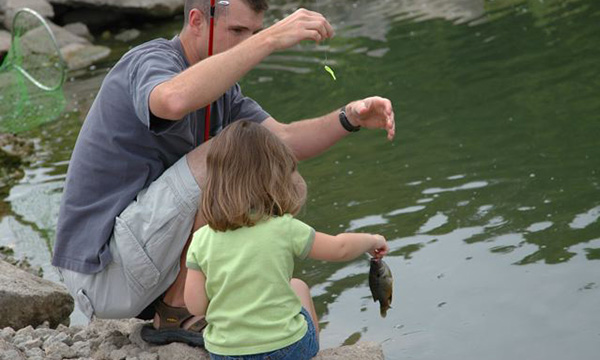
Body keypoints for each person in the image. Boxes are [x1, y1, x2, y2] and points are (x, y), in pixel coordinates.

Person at [52, 0, 395, 347]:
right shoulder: (149, 60)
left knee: (282, 174)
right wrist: (269, 40)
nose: (246, 42)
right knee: (227, 155)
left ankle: (232, 295)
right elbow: (171, 100)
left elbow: (286, 142)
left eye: (254, 33)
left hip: (144, 265)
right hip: (101, 270)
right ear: (197, 20)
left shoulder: (224, 94)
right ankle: (176, 313)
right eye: (237, 31)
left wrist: (349, 117)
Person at [184, 120, 389, 359]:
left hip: (226, 353)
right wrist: (372, 240)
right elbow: (340, 248)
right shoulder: (284, 228)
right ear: (276, 177)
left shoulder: (201, 239)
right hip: (286, 348)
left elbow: (196, 307)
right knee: (298, 286)